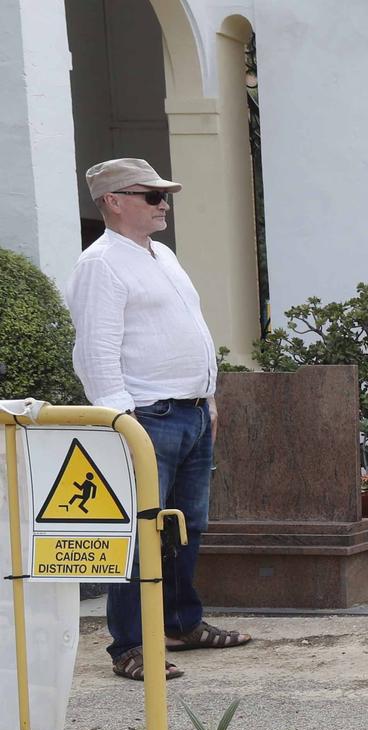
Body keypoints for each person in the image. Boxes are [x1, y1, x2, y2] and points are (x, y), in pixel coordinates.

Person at [64, 157, 251, 681]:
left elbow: (188, 326)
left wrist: (209, 396)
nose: (163, 203)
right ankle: (130, 645)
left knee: (187, 527)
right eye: (151, 195)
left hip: (188, 412)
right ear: (114, 201)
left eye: (162, 194)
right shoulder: (101, 263)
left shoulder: (162, 254)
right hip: (146, 415)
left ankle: (178, 623)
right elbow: (96, 350)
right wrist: (122, 422)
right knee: (139, 532)